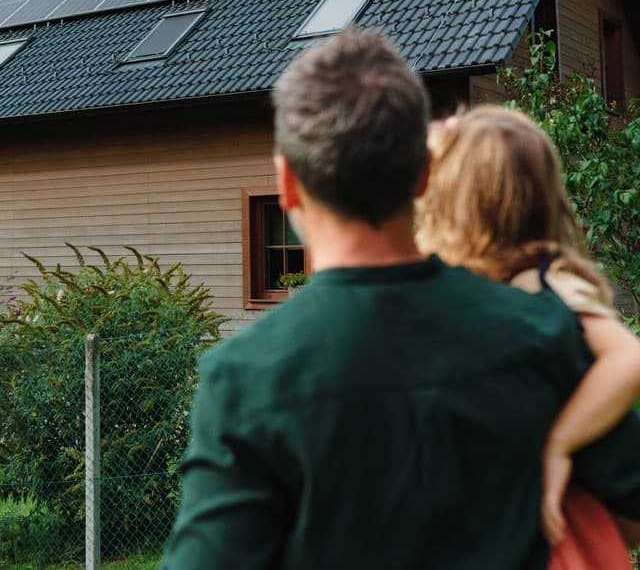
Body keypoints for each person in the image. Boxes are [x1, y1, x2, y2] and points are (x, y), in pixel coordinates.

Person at [162, 28, 640, 569]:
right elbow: (628, 513)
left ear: (288, 185)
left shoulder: (244, 379)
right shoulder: (544, 328)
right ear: (423, 175)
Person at [415, 105, 640, 562]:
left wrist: (560, 442)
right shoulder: (481, 287)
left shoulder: (546, 285)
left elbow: (628, 357)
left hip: (566, 532)